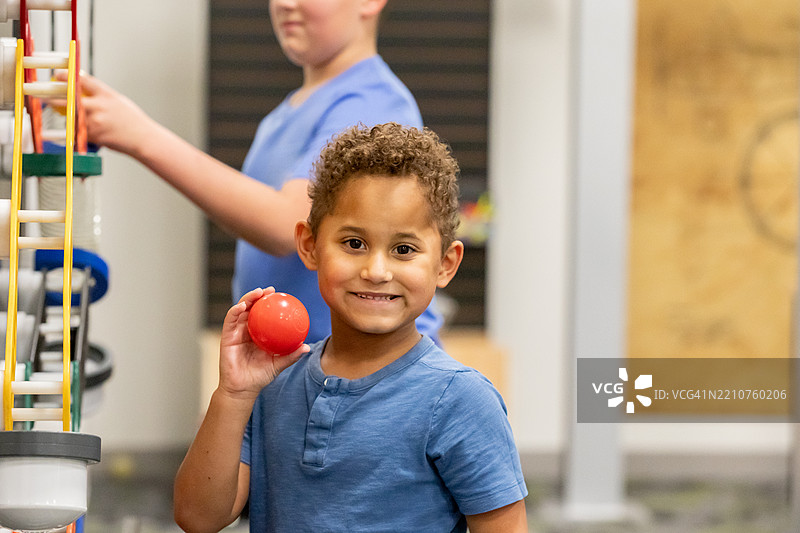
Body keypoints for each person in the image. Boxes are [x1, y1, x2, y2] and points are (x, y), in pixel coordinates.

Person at [173, 123, 528, 533]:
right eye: (354, 243)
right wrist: (233, 394)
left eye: (404, 250)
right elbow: (197, 518)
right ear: (310, 246)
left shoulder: (461, 400)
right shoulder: (271, 384)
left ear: (446, 264)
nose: (376, 271)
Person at [72, 0, 444, 343]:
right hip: (299, 375)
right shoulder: (285, 114)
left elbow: (288, 225)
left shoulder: (372, 104)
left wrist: (141, 136)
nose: (284, 3)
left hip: (368, 382)